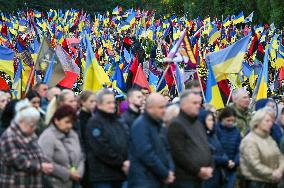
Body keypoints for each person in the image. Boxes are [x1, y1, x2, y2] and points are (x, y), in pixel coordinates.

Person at [0, 99, 54, 187]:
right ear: (21, 121)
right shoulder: (9, 136)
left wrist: (46, 162)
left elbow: (39, 152)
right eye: (31, 125)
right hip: (15, 184)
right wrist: (40, 166)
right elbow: (19, 161)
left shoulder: (30, 134)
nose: (34, 128)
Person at [128, 93, 175, 187]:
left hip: (159, 179)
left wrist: (170, 170)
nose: (164, 110)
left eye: (164, 107)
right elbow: (146, 154)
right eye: (161, 107)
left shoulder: (160, 125)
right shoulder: (140, 125)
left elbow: (167, 149)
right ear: (149, 108)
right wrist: (165, 173)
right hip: (144, 181)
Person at [168, 90, 213, 188]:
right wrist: (198, 170)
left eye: (199, 103)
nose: (198, 106)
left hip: (200, 178)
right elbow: (178, 153)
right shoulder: (176, 124)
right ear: (183, 104)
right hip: (185, 179)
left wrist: (210, 167)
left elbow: (206, 146)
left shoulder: (197, 123)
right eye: (194, 103)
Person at [85, 89, 129, 188]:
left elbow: (125, 141)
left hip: (119, 174)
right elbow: (101, 148)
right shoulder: (94, 122)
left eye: (113, 102)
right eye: (108, 103)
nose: (112, 105)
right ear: (99, 104)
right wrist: (122, 162)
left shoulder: (118, 121)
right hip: (103, 175)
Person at [38, 105, 85, 188]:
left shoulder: (73, 135)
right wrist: (68, 174)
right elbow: (45, 162)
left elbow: (81, 156)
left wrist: (79, 172)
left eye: (72, 122)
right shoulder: (47, 137)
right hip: (54, 184)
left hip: (75, 183)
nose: (70, 125)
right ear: (56, 120)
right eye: (67, 122)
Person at [240, 108, 284, 188]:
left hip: (272, 181)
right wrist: (273, 173)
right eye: (267, 121)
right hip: (257, 183)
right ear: (257, 122)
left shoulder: (269, 138)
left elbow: (280, 156)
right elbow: (254, 165)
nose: (270, 124)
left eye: (271, 121)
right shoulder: (249, 140)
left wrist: (279, 170)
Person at [199, 110, 229, 188]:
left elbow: (221, 150)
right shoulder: (200, 137)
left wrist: (226, 159)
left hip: (218, 176)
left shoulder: (213, 136)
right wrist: (224, 161)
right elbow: (205, 157)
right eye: (209, 120)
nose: (212, 122)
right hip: (207, 177)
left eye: (212, 120)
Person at [215, 107, 241, 188]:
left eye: (232, 121)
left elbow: (239, 150)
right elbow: (216, 149)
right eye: (228, 120)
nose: (230, 123)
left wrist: (235, 162)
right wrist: (226, 161)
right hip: (218, 168)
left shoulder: (236, 131)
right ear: (222, 118)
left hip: (232, 168)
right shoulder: (216, 130)